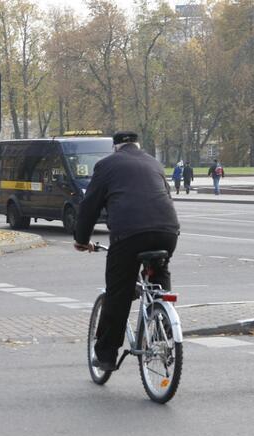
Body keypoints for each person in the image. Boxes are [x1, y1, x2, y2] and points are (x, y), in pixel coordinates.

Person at [74, 131, 180, 371]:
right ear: (138, 145)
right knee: (158, 276)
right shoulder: (154, 162)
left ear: (115, 148)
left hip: (130, 235)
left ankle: (106, 355)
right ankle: (163, 333)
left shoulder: (107, 165)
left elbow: (89, 206)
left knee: (118, 292)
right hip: (167, 231)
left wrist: (81, 239)